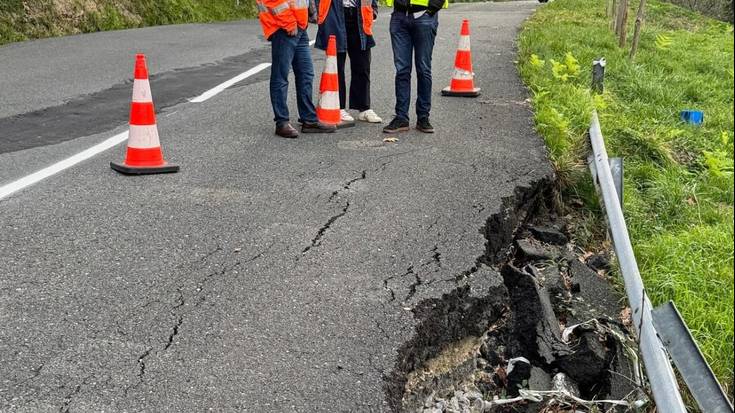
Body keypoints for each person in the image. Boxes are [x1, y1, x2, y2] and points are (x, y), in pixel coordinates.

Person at [256, 0, 337, 138]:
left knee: (306, 74)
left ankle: (309, 120)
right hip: (283, 26)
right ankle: (282, 122)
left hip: (299, 25)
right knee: (280, 75)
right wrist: (288, 22)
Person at [382, 0, 448, 134]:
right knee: (402, 71)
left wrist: (432, 9)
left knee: (423, 69)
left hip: (424, 15)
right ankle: (401, 117)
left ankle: (423, 117)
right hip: (399, 16)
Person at [315, 0, 383, 124]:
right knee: (337, 66)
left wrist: (373, 10)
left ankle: (364, 108)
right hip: (335, 15)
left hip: (359, 16)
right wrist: (319, 13)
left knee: (362, 65)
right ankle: (339, 107)